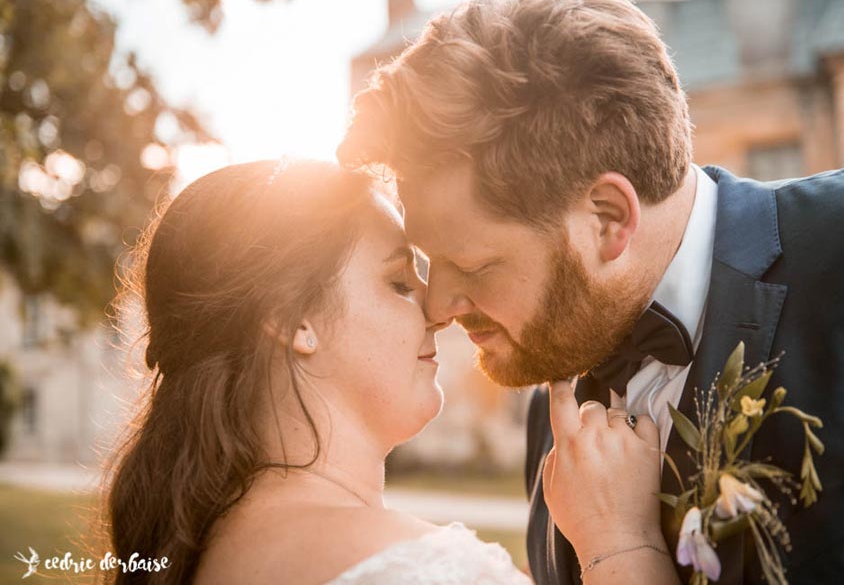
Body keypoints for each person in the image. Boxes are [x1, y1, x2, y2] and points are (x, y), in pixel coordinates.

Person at [337, 0, 844, 583]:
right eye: (427, 261)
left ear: (608, 217)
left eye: (472, 266)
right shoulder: (551, 417)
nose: (436, 306)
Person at [105, 159, 679, 584]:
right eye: (399, 282)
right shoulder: (425, 571)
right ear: (293, 321)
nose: (437, 310)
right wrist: (621, 544)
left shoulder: (205, 550)